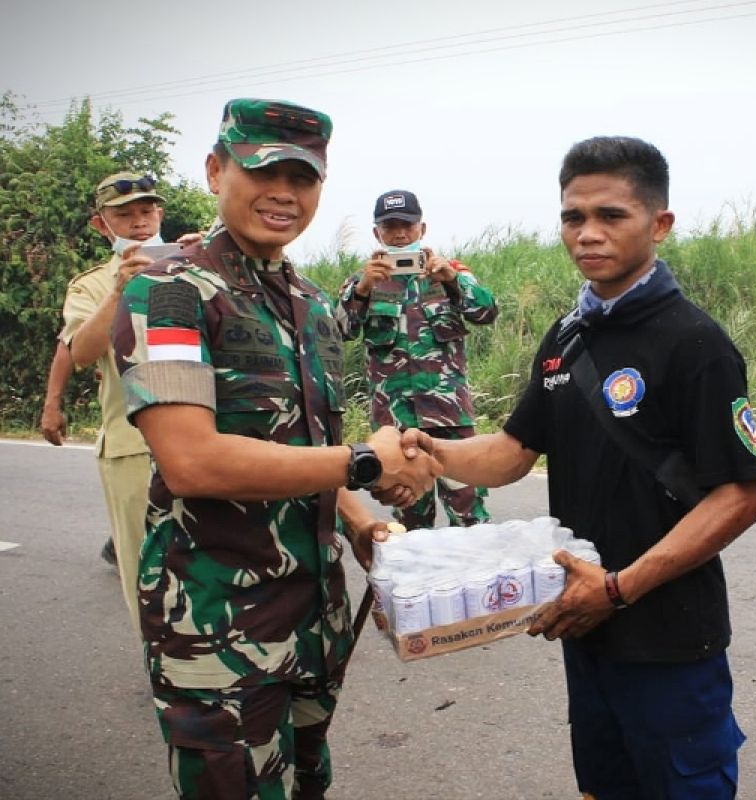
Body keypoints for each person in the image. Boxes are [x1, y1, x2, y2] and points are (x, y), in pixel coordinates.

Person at [408, 136, 756, 799]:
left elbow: (738, 498)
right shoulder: (568, 336)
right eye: (574, 217)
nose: (588, 234)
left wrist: (618, 590)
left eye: (612, 215)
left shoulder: (695, 343)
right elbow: (512, 453)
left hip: (666, 638)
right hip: (583, 624)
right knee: (605, 785)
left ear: (659, 224)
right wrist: (426, 451)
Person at [110, 97, 441, 800]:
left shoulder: (316, 307)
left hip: (313, 618)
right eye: (264, 173)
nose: (284, 195)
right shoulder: (169, 293)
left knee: (307, 786)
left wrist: (366, 523)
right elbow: (192, 461)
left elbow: (311, 452)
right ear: (214, 171)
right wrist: (366, 460)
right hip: (216, 626)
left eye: (304, 178)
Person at [58, 172, 194, 614]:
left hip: (204, 439)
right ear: (102, 224)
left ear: (160, 213)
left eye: (146, 210)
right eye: (124, 214)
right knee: (146, 573)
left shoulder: (193, 264)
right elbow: (81, 351)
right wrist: (119, 290)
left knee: (206, 566)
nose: (139, 222)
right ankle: (161, 675)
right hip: (133, 444)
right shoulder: (92, 285)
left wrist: (212, 260)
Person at [336, 189, 497, 530]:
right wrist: (363, 288)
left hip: (450, 419)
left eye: (407, 225)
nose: (399, 233)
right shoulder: (361, 282)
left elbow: (487, 312)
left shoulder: (451, 272)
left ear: (422, 229)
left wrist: (452, 281)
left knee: (471, 517)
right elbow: (340, 331)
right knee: (411, 523)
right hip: (396, 425)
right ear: (376, 232)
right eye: (390, 226)